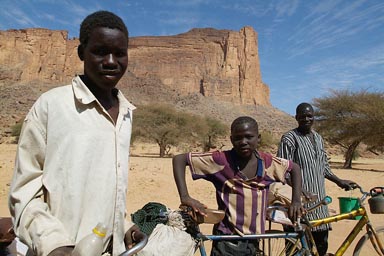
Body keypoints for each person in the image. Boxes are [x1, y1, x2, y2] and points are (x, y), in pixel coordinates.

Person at [8, 10, 144, 256]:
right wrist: (55, 245)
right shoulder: (52, 105)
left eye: (120, 53)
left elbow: (104, 190)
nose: (111, 61)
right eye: (100, 51)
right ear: (82, 52)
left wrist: (124, 226)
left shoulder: (126, 112)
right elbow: (25, 192)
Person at [173, 116, 304, 256]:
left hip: (254, 239)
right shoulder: (221, 161)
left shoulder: (268, 162)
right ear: (231, 139)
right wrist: (185, 197)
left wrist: (296, 200)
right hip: (227, 239)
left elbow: (294, 168)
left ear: (258, 138)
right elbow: (179, 159)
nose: (243, 142)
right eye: (238, 138)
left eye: (249, 137)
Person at [277, 102, 356, 256]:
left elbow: (324, 167)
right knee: (296, 248)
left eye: (309, 116)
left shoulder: (318, 138)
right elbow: (283, 171)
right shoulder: (289, 138)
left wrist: (339, 181)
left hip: (320, 202)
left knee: (321, 246)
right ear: (296, 117)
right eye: (302, 116)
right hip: (298, 203)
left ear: (314, 118)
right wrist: (300, 192)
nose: (306, 119)